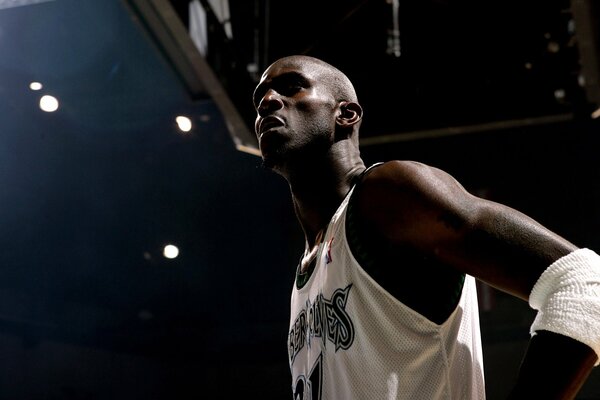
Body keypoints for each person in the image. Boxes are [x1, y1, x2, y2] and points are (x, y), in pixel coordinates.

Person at [251, 54, 600, 399]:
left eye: (292, 87)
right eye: (259, 97)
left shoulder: (388, 194)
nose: (267, 101)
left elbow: (585, 281)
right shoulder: (306, 271)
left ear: (346, 114)